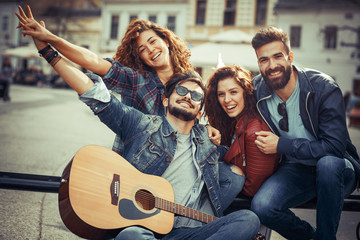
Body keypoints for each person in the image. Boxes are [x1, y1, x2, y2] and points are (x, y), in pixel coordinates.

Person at [20, 30, 260, 238]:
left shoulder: (208, 143)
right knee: (132, 235)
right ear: (165, 99)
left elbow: (243, 156)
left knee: (248, 220)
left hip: (191, 231)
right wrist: (49, 53)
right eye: (182, 91)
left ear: (200, 111)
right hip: (145, 228)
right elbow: (95, 93)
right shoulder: (142, 125)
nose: (189, 96)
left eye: (196, 96)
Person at [15, 5, 221, 156]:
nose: (150, 50)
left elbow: (195, 119)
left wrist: (208, 127)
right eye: (142, 49)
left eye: (153, 42)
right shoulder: (136, 80)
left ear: (165, 40)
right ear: (139, 57)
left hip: (179, 163)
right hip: (139, 162)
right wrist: (50, 39)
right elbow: (94, 62)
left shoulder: (190, 80)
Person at [250, 26, 360, 240]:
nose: (271, 66)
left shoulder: (324, 88)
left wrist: (282, 145)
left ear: (290, 56)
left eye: (277, 56)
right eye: (263, 60)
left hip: (337, 170)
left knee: (328, 163)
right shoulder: (257, 89)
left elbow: (335, 148)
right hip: (296, 169)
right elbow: (229, 100)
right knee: (262, 206)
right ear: (258, 64)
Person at [204, 65, 279, 197]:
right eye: (221, 94)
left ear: (246, 92)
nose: (227, 100)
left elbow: (253, 189)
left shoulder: (255, 131)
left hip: (246, 201)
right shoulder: (231, 120)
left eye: (233, 92)